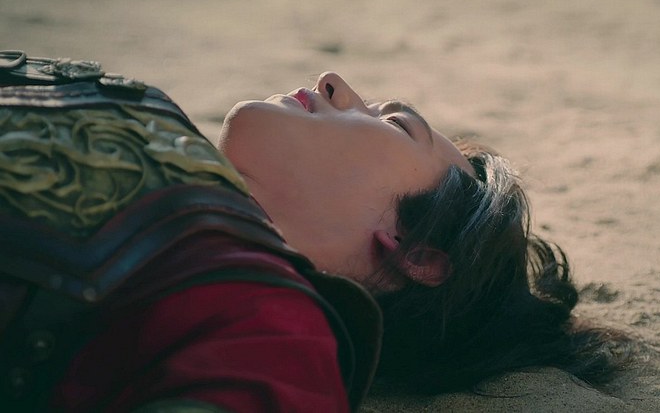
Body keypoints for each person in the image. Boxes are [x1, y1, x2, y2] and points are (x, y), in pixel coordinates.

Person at [0, 51, 627, 412]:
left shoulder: (276, 339)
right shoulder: (175, 186)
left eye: (396, 125)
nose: (334, 82)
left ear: (417, 253)